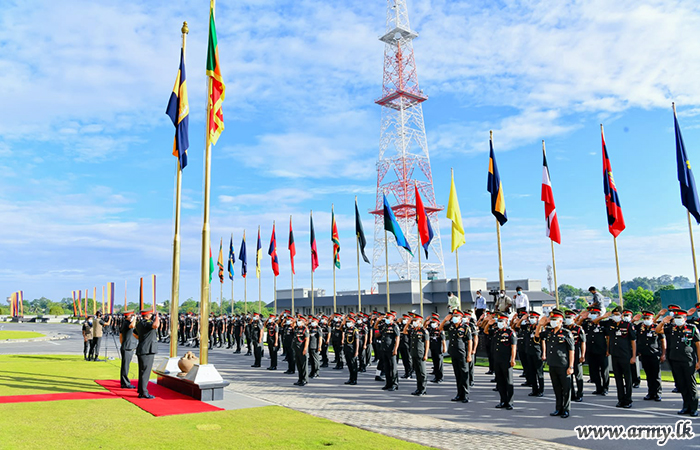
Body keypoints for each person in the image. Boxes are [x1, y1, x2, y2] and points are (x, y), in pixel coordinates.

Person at [656, 309, 700, 416]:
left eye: (680, 318)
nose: (677, 320)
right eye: (676, 318)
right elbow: (658, 331)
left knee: (691, 384)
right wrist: (662, 322)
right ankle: (686, 406)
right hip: (675, 360)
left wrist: (699, 361)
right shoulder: (672, 328)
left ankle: (694, 408)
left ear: (685, 319)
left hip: (688, 360)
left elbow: (698, 345)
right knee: (682, 384)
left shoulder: (692, 328)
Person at [536, 309, 574, 418]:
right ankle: (558, 408)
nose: (553, 322)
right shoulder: (549, 332)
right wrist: (540, 325)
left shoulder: (566, 333)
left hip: (563, 364)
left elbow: (571, 350)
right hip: (552, 364)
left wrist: (571, 366)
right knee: (556, 388)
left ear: (561, 321)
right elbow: (538, 336)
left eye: (555, 320)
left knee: (566, 388)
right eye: (552, 319)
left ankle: (566, 409)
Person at [606, 307, 636, 408]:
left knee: (627, 378)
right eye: (614, 314)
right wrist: (608, 350)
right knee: (618, 378)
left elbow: (633, 341)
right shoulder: (611, 325)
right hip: (615, 355)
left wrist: (633, 356)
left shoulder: (627, 325)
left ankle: (628, 400)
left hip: (625, 355)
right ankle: (621, 399)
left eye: (617, 314)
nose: (616, 316)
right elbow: (609, 338)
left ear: (622, 315)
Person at [441, 310, 471, 403]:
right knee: (457, 374)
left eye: (456, 316)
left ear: (460, 318)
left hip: (462, 353)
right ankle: (459, 394)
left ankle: (465, 395)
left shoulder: (465, 327)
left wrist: (469, 355)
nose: (454, 318)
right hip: (453, 353)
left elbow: (470, 341)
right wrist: (445, 320)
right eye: (453, 316)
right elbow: (440, 328)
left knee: (464, 374)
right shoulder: (450, 326)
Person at [580, 306, 610, 395]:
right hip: (591, 350)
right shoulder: (587, 324)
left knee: (604, 371)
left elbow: (608, 338)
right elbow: (578, 325)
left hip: (602, 350)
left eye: (595, 314)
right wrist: (582, 318)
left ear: (599, 314)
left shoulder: (604, 324)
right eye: (592, 313)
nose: (593, 315)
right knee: (594, 370)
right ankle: (598, 388)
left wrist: (608, 349)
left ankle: (605, 388)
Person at [489, 312, 516, 410]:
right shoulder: (497, 332)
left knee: (508, 381)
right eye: (498, 321)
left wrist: (512, 359)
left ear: (506, 322)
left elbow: (513, 347)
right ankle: (503, 400)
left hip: (506, 360)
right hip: (497, 359)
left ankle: (510, 402)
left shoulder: (510, 333)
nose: (499, 323)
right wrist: (489, 323)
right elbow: (487, 331)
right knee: (500, 381)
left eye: (501, 321)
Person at [636, 310, 664, 401]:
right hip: (644, 354)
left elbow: (663, 341)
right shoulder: (640, 327)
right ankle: (650, 392)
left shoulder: (656, 328)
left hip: (654, 354)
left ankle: (657, 393)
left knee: (656, 375)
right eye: (644, 318)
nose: (646, 319)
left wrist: (663, 354)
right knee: (649, 375)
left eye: (648, 318)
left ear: (652, 318)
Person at [134, 309, 160, 399]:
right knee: (145, 372)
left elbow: (135, 334)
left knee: (142, 371)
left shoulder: (139, 323)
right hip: (147, 350)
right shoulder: (147, 323)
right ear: (148, 315)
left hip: (142, 349)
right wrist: (157, 317)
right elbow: (156, 325)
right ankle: (144, 392)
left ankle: (141, 391)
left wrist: (143, 339)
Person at [565, 310, 586, 402]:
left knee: (578, 375)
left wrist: (583, 355)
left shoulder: (578, 329)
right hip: (567, 353)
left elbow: (583, 343)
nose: (568, 319)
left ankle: (580, 394)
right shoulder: (564, 329)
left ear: (574, 319)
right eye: (567, 317)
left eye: (569, 318)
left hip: (577, 352)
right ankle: (572, 394)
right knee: (569, 375)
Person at [405, 314, 429, 395]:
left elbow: (427, 343)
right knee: (417, 372)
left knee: (422, 372)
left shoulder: (423, 331)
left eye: (416, 321)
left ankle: (423, 389)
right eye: (413, 321)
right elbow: (405, 331)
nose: (414, 322)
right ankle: (418, 388)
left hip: (420, 353)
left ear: (420, 322)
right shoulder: (413, 330)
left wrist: (426, 355)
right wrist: (408, 323)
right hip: (414, 353)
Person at [379, 312, 400, 391]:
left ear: (392, 319)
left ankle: (395, 384)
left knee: (393, 367)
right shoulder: (385, 326)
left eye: (388, 318)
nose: (386, 320)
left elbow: (397, 338)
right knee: (386, 367)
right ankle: (388, 384)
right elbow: (379, 333)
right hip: (384, 349)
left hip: (391, 349)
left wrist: (395, 349)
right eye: (386, 318)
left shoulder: (395, 326)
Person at [119, 311, 137, 389]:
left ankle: (124, 382)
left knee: (125, 365)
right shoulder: (126, 323)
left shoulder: (125, 323)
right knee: (125, 366)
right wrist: (135, 318)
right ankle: (125, 383)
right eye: (131, 315)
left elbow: (120, 335)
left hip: (127, 346)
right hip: (127, 347)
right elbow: (132, 325)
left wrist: (122, 343)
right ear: (128, 316)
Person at [428, 314, 446, 384]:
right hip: (433, 348)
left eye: (434, 322)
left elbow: (443, 340)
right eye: (432, 322)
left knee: (439, 364)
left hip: (438, 349)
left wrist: (444, 348)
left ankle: (440, 377)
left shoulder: (440, 330)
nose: (432, 324)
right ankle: (436, 376)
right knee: (435, 363)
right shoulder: (431, 330)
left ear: (437, 323)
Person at [342, 316, 360, 385]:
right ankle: (350, 378)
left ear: (353, 323)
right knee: (349, 365)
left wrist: (356, 351)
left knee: (353, 365)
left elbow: (357, 341)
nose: (348, 323)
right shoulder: (346, 329)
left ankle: (354, 379)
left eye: (349, 322)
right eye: (347, 322)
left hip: (352, 350)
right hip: (347, 349)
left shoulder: (355, 330)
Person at [293, 315, 310, 386]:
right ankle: (300, 379)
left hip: (302, 349)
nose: (298, 322)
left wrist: (305, 349)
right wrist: (295, 320)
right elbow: (292, 325)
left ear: (303, 322)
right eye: (298, 321)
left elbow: (307, 339)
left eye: (300, 321)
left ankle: (305, 379)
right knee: (299, 365)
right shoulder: (296, 328)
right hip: (296, 349)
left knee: (303, 365)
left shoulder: (305, 329)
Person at [398, 314, 413, 379]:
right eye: (403, 319)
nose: (404, 320)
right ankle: (406, 372)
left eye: (405, 319)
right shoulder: (400, 326)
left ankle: (410, 373)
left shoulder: (409, 326)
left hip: (407, 345)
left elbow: (406, 332)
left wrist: (408, 323)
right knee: (404, 360)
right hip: (401, 344)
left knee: (408, 359)